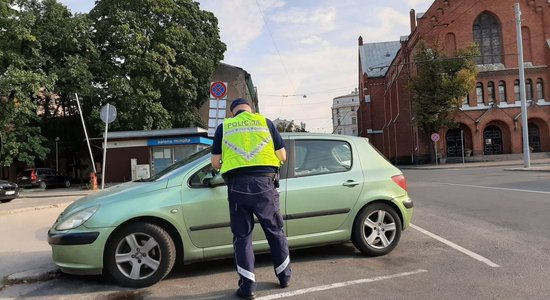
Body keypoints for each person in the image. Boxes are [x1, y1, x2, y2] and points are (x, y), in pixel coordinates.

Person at [211, 98, 291, 300]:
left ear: (233, 112)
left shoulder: (225, 127)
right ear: (251, 109)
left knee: (242, 237)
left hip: (237, 187)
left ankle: (248, 288)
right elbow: (282, 156)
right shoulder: (265, 122)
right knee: (275, 232)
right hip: (265, 185)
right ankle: (284, 277)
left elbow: (214, 163)